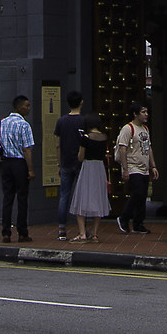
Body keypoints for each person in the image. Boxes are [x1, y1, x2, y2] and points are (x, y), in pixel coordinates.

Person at [53, 93, 96, 231]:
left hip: (66, 162)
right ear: (81, 102)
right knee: (83, 196)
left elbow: (57, 145)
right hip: (81, 163)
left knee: (64, 196)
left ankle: (61, 229)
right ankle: (83, 229)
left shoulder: (61, 121)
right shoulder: (85, 121)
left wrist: (59, 164)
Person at [0, 96, 36, 243]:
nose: (29, 108)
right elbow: (27, 149)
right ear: (19, 107)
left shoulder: (3, 122)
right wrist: (30, 169)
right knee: (22, 198)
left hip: (6, 162)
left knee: (7, 198)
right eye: (27, 105)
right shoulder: (24, 125)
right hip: (19, 163)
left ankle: (6, 233)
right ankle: (22, 232)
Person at [69, 115, 112, 243]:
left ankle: (82, 233)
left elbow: (81, 157)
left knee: (81, 197)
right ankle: (94, 233)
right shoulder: (104, 137)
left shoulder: (85, 138)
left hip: (88, 167)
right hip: (99, 168)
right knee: (98, 198)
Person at [115, 104, 154, 235]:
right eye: (143, 112)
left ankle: (138, 223)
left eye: (147, 111)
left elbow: (149, 148)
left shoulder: (145, 129)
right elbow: (122, 148)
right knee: (137, 192)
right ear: (135, 114)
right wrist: (125, 169)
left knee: (142, 196)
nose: (146, 114)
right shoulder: (128, 129)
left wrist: (153, 166)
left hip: (144, 167)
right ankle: (124, 218)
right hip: (133, 166)